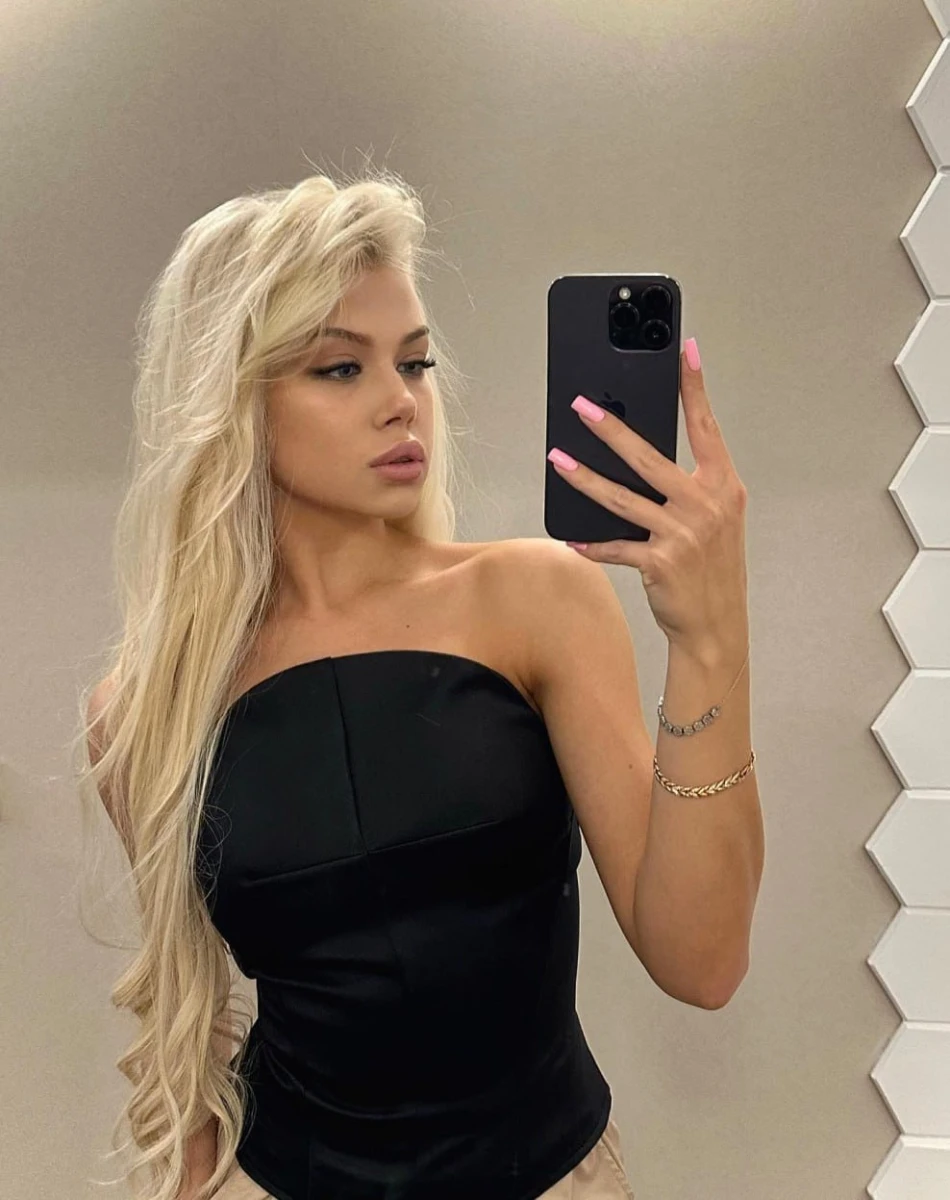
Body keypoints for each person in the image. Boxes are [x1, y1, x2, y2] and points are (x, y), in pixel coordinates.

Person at [76, 167, 756, 1200]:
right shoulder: (146, 709)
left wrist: (709, 637)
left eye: (415, 361)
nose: (401, 401)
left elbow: (699, 961)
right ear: (230, 402)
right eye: (339, 368)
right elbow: (190, 1012)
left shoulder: (535, 599)